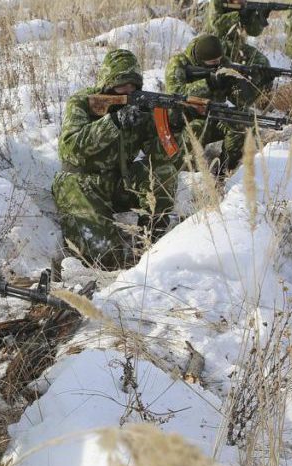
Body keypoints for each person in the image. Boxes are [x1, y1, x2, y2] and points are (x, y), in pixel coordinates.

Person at [53, 49, 179, 270]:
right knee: (104, 256)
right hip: (81, 184)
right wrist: (114, 121)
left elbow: (162, 157)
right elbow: (70, 148)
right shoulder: (82, 102)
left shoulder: (141, 107)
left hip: (120, 182)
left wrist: (172, 125)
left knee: (164, 174)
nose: (128, 91)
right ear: (107, 83)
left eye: (133, 86)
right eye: (121, 85)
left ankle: (150, 245)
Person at [164, 34, 251, 176]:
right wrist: (209, 83)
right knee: (195, 129)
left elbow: (241, 102)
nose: (217, 65)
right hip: (184, 122)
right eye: (212, 63)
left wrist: (243, 85)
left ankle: (226, 172)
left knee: (240, 124)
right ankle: (189, 176)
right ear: (199, 60)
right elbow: (175, 94)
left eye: (219, 61)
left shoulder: (224, 64)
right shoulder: (178, 64)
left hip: (212, 116)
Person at [204, 0, 273, 72]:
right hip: (215, 45)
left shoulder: (245, 5)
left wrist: (261, 18)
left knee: (263, 63)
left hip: (237, 47)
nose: (242, 1)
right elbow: (215, 24)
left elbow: (253, 32)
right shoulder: (217, 2)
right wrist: (238, 15)